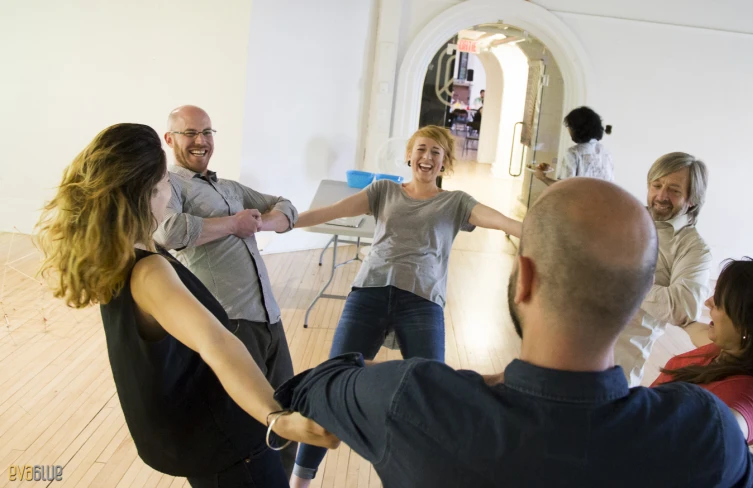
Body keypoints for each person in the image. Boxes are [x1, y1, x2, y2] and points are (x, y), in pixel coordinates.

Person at [276, 178, 753, 487]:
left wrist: (488, 381)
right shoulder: (704, 433)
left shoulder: (414, 399)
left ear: (525, 280)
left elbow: (315, 384)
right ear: (636, 299)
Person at [35, 123, 338, 488]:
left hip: (200, 437)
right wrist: (276, 416)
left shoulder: (117, 258)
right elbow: (217, 342)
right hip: (225, 442)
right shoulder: (149, 272)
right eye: (164, 182)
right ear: (147, 190)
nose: (169, 190)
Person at [289, 125, 522, 486]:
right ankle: (300, 480)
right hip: (369, 292)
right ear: (409, 155)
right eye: (422, 150)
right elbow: (332, 210)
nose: (427, 158)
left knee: (432, 395)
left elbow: (501, 221)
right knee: (330, 383)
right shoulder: (384, 190)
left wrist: (536, 231)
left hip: (422, 301)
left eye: (436, 153)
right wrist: (282, 221)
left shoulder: (455, 201)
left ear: (445, 163)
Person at [152, 105, 300, 473]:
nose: (201, 141)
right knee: (245, 424)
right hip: (231, 323)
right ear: (170, 139)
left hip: (270, 318)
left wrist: (260, 223)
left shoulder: (231, 187)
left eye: (207, 132)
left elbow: (287, 207)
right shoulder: (170, 186)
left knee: (288, 414)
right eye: (190, 133)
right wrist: (234, 224)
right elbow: (167, 232)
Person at [652, 258, 753, 465]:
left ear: (747, 326)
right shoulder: (736, 352)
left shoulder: (746, 397)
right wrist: (683, 319)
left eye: (719, 301)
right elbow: (698, 332)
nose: (708, 302)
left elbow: (728, 430)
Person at [614, 152, 712, 385]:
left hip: (619, 358)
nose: (661, 195)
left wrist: (624, 279)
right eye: (656, 185)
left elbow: (683, 308)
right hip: (573, 338)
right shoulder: (623, 217)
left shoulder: (693, 248)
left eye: (674, 190)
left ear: (692, 199)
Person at [534, 106, 613, 184]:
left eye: (569, 126)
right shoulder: (606, 152)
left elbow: (564, 188)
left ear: (576, 129)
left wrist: (543, 178)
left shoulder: (573, 153)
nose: (568, 130)